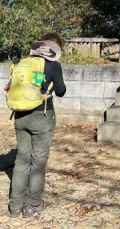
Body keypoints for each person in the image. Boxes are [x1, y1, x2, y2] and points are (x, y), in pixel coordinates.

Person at [6, 33, 66, 218]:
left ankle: (15, 207)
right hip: (42, 116)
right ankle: (32, 206)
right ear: (55, 48)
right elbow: (61, 91)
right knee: (38, 163)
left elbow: (10, 87)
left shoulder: (24, 62)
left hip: (20, 116)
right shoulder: (53, 65)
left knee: (22, 161)